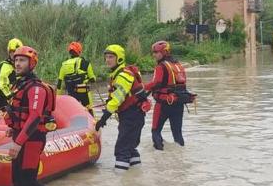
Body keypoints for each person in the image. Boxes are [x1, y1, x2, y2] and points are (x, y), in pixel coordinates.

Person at [2, 45, 58, 186]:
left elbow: (34, 118)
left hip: (32, 139)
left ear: (32, 63)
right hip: (20, 135)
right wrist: (13, 127)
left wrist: (18, 143)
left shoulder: (36, 89)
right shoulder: (20, 84)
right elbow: (19, 112)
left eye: (22, 61)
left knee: (28, 180)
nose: (18, 64)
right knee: (17, 180)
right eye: (16, 60)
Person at [95, 44, 149, 172]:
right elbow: (120, 96)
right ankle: (136, 175)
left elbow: (117, 99)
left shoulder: (123, 75)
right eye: (106, 57)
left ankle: (120, 182)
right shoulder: (121, 73)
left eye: (111, 57)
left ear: (119, 58)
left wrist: (104, 118)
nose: (107, 60)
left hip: (131, 115)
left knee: (121, 149)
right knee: (130, 148)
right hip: (135, 114)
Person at [144, 40, 190, 150]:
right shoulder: (178, 65)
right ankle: (179, 158)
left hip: (163, 104)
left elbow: (155, 83)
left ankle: (159, 159)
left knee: (155, 131)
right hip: (179, 103)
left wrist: (140, 87)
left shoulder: (161, 66)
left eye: (156, 52)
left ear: (164, 52)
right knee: (177, 134)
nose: (154, 55)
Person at [56, 41, 97, 115]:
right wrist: (92, 78)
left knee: (74, 112)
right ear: (79, 51)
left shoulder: (64, 65)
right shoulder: (85, 63)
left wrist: (57, 97)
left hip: (71, 95)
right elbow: (92, 79)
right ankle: (92, 121)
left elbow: (59, 84)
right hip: (84, 94)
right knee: (89, 109)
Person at [0, 37, 24, 109]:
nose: (14, 54)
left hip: (13, 97)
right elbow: (3, 84)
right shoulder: (5, 66)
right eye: (12, 52)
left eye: (17, 52)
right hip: (3, 98)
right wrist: (10, 96)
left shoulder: (18, 66)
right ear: (9, 53)